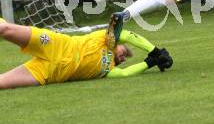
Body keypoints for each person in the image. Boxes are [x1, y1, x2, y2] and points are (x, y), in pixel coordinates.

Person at [0, 17, 173, 89]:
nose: (122, 57)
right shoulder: (106, 41)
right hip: (55, 45)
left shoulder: (108, 70)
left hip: (50, 73)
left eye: (123, 59)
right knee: (5, 29)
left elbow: (126, 73)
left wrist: (150, 63)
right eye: (124, 52)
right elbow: (127, 34)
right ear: (119, 44)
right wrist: (154, 51)